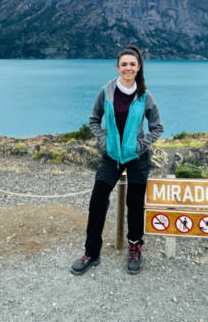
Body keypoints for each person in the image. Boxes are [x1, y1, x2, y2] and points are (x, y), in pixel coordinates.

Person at [71, 45, 163, 275]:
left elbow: (157, 127)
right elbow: (94, 121)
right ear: (118, 67)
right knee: (97, 202)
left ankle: (134, 247)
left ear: (138, 67)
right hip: (111, 156)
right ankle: (91, 253)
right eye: (124, 64)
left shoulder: (144, 95)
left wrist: (140, 146)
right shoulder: (106, 92)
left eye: (132, 64)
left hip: (137, 158)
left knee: (134, 204)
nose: (128, 68)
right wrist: (105, 142)